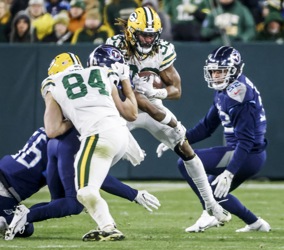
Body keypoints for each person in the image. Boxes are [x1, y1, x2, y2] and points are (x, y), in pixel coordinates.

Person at [106, 6, 231, 226]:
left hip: (149, 101)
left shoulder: (162, 50)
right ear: (131, 32)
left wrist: (158, 92)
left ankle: (211, 203)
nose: (147, 40)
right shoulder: (116, 47)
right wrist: (163, 115)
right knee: (102, 154)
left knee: (184, 147)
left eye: (152, 35)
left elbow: (176, 90)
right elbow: (119, 90)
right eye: (143, 35)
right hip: (121, 105)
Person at [157, 46, 271, 233]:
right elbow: (207, 127)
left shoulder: (239, 94)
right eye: (214, 71)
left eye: (221, 71)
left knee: (186, 163)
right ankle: (255, 224)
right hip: (243, 152)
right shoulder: (226, 89)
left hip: (247, 154)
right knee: (211, 191)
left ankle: (211, 212)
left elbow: (246, 141)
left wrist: (230, 172)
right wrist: (178, 140)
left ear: (234, 70)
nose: (216, 75)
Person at [39, 47, 141, 241]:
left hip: (97, 135)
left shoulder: (52, 83)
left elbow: (52, 130)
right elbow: (132, 114)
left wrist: (73, 116)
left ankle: (109, 228)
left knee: (84, 191)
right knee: (90, 185)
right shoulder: (102, 72)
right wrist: (126, 79)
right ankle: (107, 226)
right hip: (121, 135)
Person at [2, 127, 160, 240]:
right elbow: (96, 175)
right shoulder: (77, 134)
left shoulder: (50, 127)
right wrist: (133, 194)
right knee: (72, 203)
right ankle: (23, 216)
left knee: (58, 204)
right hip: (7, 188)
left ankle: (22, 216)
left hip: (10, 175)